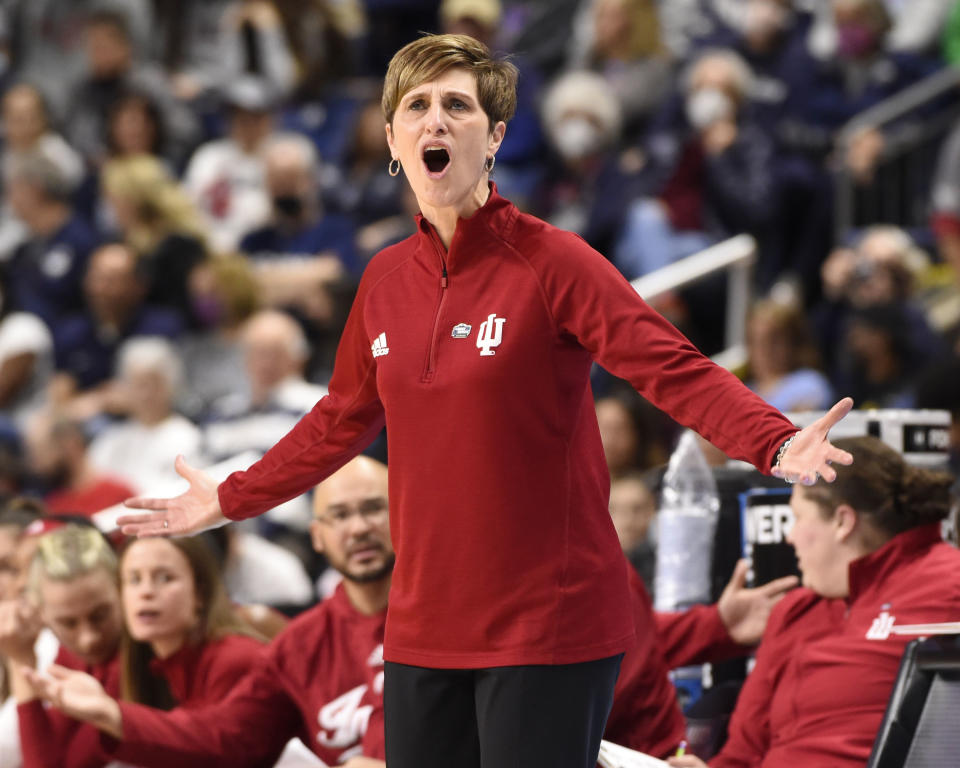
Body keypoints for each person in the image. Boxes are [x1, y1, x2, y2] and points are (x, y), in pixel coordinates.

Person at [119, 34, 854, 768]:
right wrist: (232, 495)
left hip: (549, 620)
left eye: (457, 106)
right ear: (391, 141)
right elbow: (338, 420)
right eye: (417, 107)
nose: (435, 121)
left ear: (495, 137)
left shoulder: (552, 261)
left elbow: (672, 367)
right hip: (423, 625)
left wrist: (774, 441)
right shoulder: (381, 282)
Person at [29, 456, 391, 768]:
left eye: (373, 508)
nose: (359, 528)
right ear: (317, 536)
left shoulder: (441, 617)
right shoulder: (299, 645)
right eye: (340, 515)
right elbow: (226, 737)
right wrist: (113, 715)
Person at [668, 435, 960, 768]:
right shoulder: (794, 611)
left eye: (798, 517)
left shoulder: (950, 584)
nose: (789, 536)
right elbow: (742, 755)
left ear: (842, 522)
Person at [23, 534, 267, 767]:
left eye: (164, 578)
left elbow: (217, 748)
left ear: (200, 592)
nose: (146, 592)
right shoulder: (149, 662)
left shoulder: (236, 657)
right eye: (134, 579)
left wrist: (111, 714)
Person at [1, 523, 124, 768]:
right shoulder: (69, 656)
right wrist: (21, 659)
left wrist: (20, 663)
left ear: (120, 590)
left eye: (100, 615)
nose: (88, 638)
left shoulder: (138, 657)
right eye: (68, 623)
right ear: (43, 612)